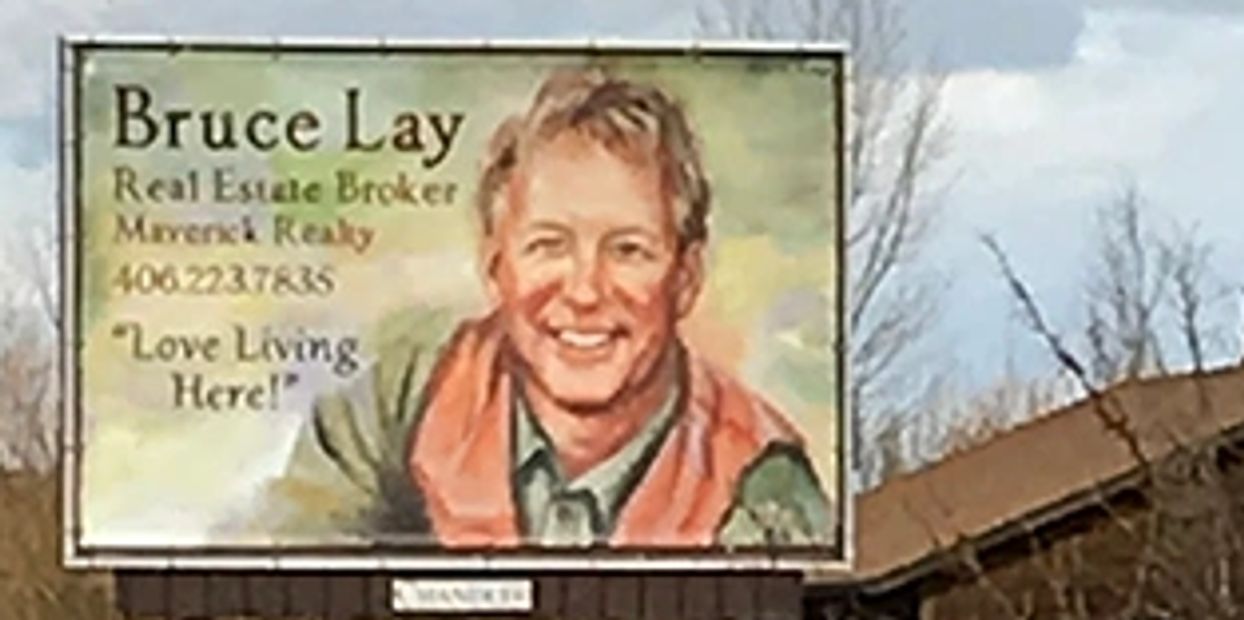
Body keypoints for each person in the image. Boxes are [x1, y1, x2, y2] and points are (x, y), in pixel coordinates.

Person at [256, 68, 835, 549]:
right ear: (494, 266)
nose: (584, 291)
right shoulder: (406, 394)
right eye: (549, 246)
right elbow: (282, 569)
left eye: (628, 250)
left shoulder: (762, 483)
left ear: (686, 278)